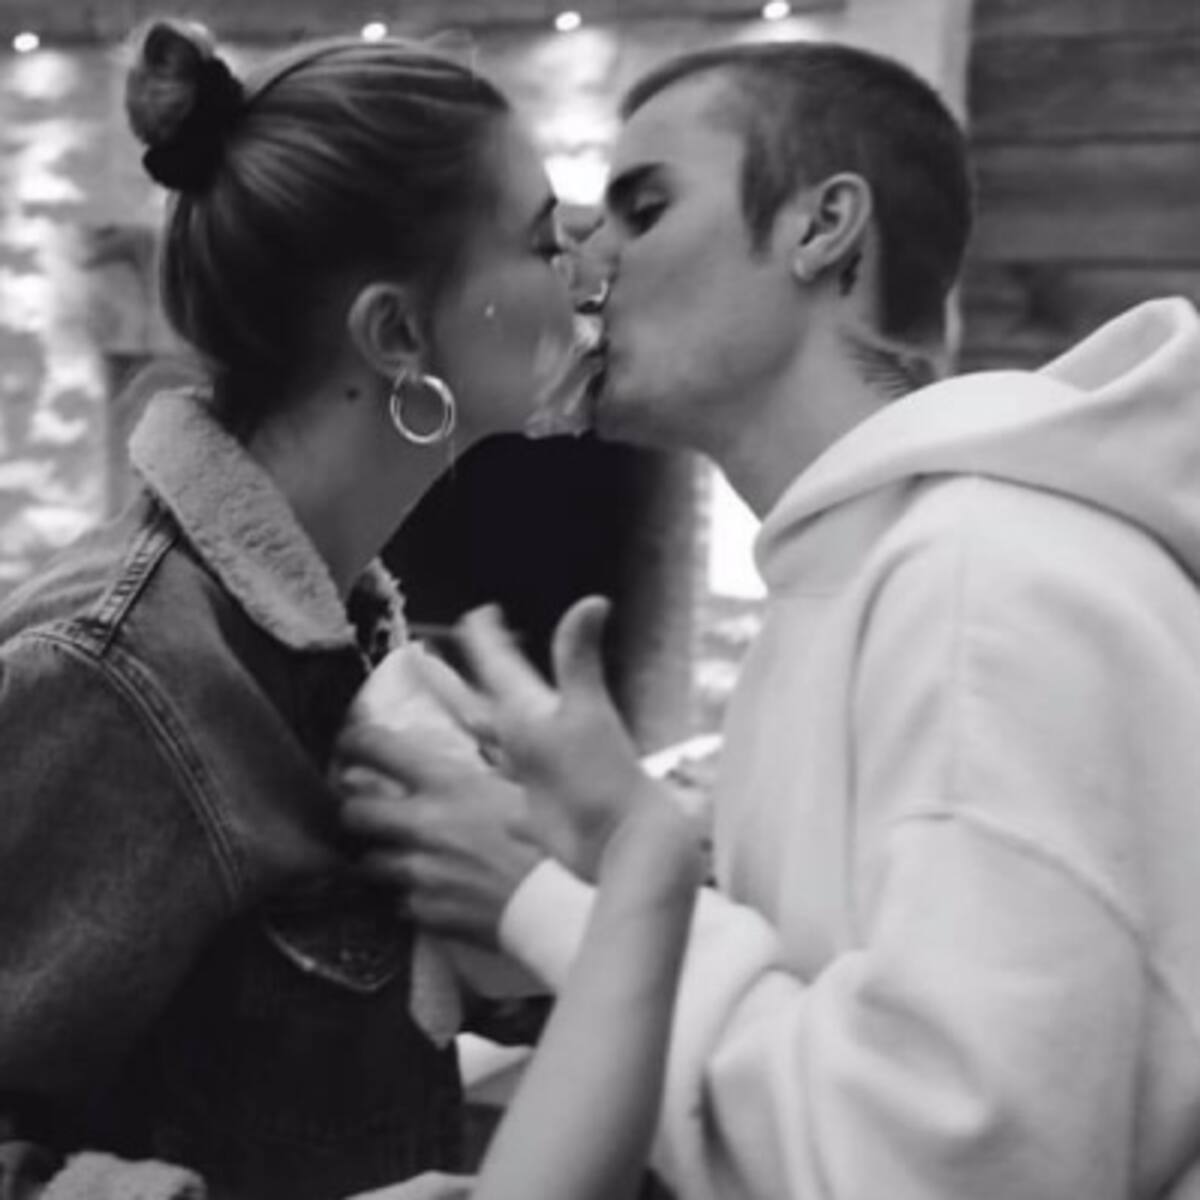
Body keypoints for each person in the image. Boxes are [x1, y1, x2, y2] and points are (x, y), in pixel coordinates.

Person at [337, 39, 1200, 1200]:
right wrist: (618, 850)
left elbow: (949, 1165)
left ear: (822, 227)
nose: (585, 259)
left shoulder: (984, 580)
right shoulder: (863, 572)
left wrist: (550, 905)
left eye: (645, 208)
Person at [0, 18, 600, 1200]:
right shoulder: (112, 677)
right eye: (542, 242)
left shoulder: (347, 644)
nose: (583, 274)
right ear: (396, 334)